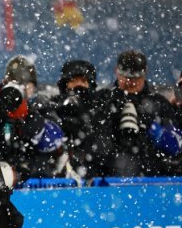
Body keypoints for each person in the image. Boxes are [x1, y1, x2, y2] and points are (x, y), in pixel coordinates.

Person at [0, 55, 66, 184]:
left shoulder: (40, 105)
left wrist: (28, 117)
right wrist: (0, 110)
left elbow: (55, 139)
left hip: (38, 180)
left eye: (26, 86)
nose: (20, 91)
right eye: (15, 84)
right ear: (5, 84)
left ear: (33, 87)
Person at [97, 49, 182, 177]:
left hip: (151, 181)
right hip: (111, 182)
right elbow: (93, 147)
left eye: (136, 77)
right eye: (126, 77)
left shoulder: (159, 104)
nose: (130, 82)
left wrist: (151, 127)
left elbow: (176, 146)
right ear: (117, 72)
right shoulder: (104, 101)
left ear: (145, 73)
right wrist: (112, 120)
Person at [51, 59, 113, 181]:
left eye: (83, 81)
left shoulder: (101, 109)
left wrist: (84, 121)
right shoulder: (54, 107)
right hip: (59, 180)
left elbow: (104, 148)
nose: (78, 85)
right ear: (65, 85)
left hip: (95, 179)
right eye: (73, 81)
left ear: (91, 85)